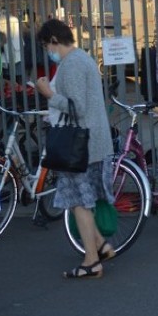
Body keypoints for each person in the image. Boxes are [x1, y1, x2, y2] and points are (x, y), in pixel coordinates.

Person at [34, 19, 115, 279]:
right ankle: (100, 246)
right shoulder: (82, 58)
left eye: (46, 44)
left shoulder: (72, 65)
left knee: (79, 202)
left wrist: (48, 93)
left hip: (80, 145)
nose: (48, 49)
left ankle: (92, 261)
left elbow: (76, 107)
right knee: (81, 200)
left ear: (54, 41)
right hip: (90, 142)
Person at [0, 4, 24, 84]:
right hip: (15, 47)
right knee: (18, 77)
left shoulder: (1, 19)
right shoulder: (14, 19)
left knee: (8, 77)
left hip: (6, 46)